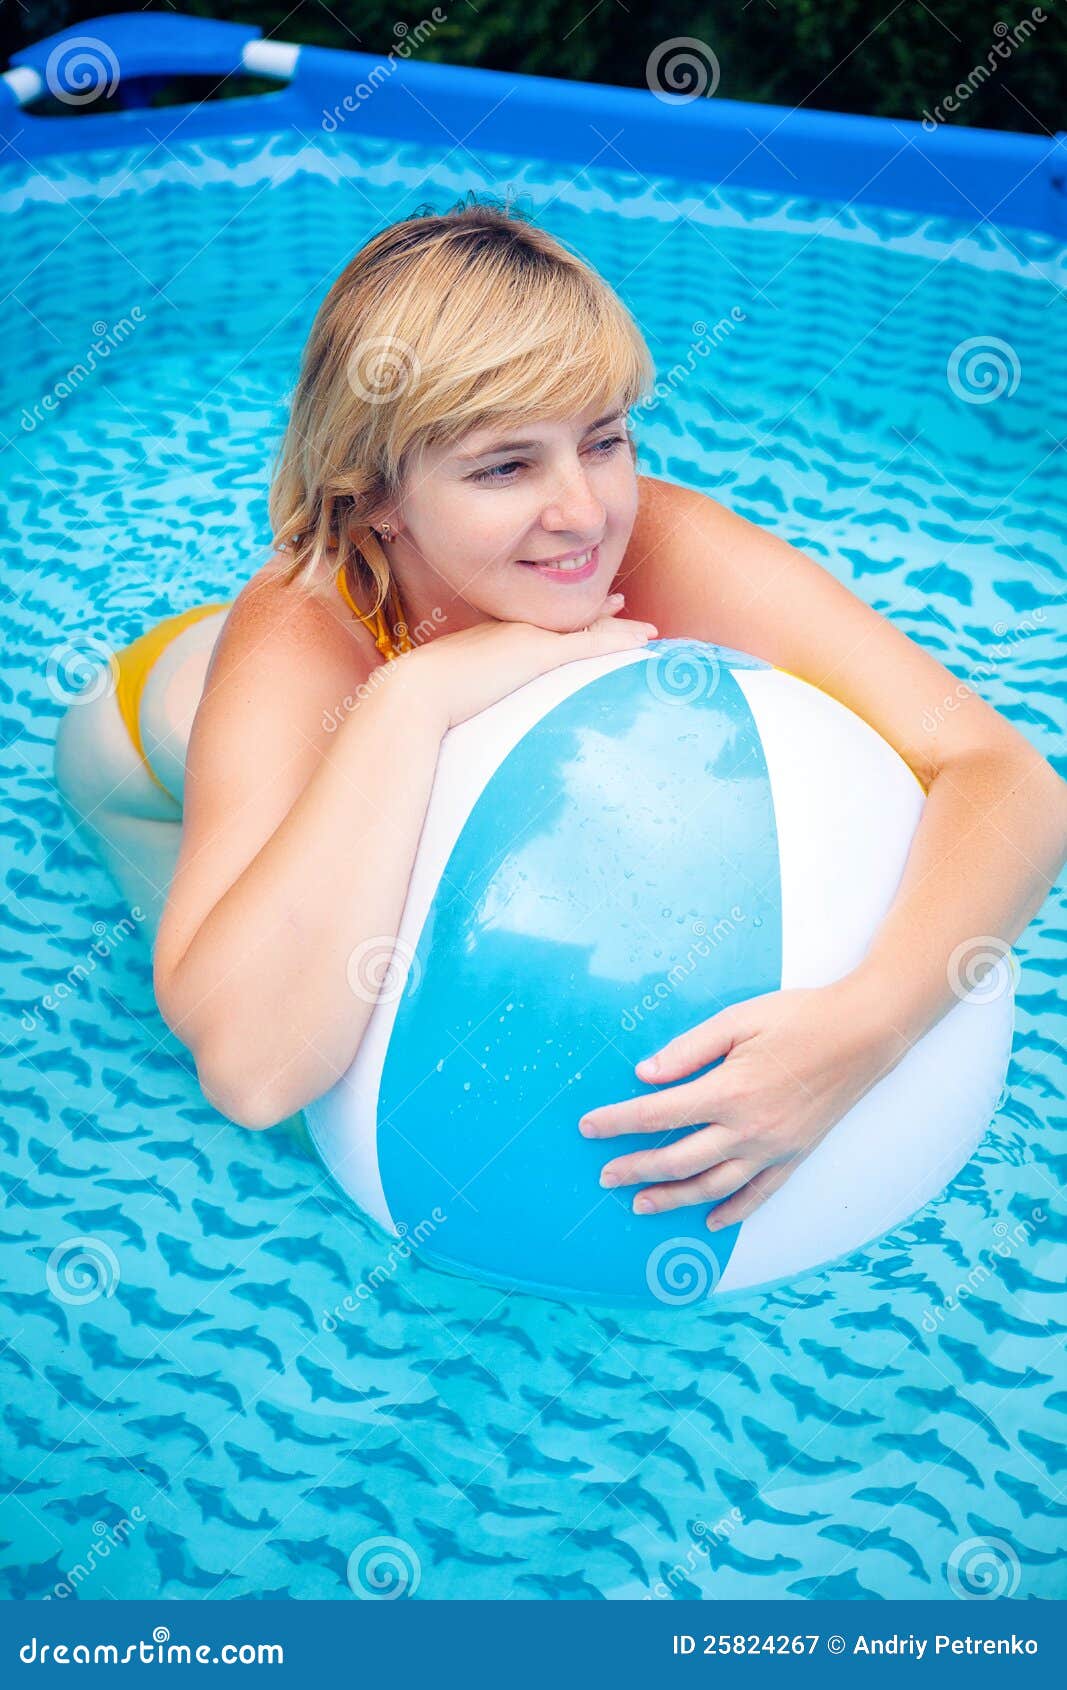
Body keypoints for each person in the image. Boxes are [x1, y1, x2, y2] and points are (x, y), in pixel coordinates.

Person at [53, 195, 1067, 1234]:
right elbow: (252, 1069)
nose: (582, 515)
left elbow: (1005, 779)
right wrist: (415, 698)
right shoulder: (306, 639)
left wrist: (863, 1030)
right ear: (374, 497)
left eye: (602, 440)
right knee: (310, 1086)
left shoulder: (656, 542)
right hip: (137, 757)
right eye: (503, 466)